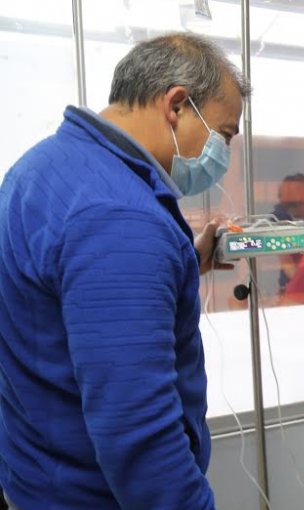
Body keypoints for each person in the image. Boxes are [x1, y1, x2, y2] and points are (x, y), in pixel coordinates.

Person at [0, 33, 250, 509]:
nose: (222, 154)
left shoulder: (43, 167)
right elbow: (138, 433)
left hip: (34, 472)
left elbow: (61, 303)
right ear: (176, 105)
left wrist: (181, 263)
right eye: (223, 134)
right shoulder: (121, 216)